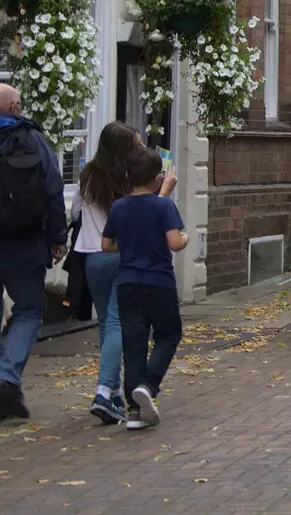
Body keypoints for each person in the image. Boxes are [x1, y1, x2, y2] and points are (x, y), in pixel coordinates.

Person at [73, 122, 175, 425]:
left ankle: (115, 391)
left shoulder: (88, 175)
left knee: (106, 322)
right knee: (118, 322)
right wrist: (164, 192)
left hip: (92, 256)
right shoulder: (130, 181)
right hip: (122, 256)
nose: (142, 145)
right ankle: (104, 390)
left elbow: (76, 212)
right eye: (137, 142)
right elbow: (151, 218)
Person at [102, 147, 187, 430]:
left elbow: (106, 245)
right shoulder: (164, 206)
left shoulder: (118, 207)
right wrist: (185, 238)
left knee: (134, 344)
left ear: (128, 176)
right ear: (157, 179)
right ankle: (148, 385)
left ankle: (135, 412)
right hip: (159, 281)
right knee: (168, 334)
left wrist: (126, 247)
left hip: (127, 283)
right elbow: (174, 243)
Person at [0, 84, 67, 421]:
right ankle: (7, 379)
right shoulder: (32, 139)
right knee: (28, 310)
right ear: (13, 107)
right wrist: (58, 236)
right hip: (24, 242)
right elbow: (53, 188)